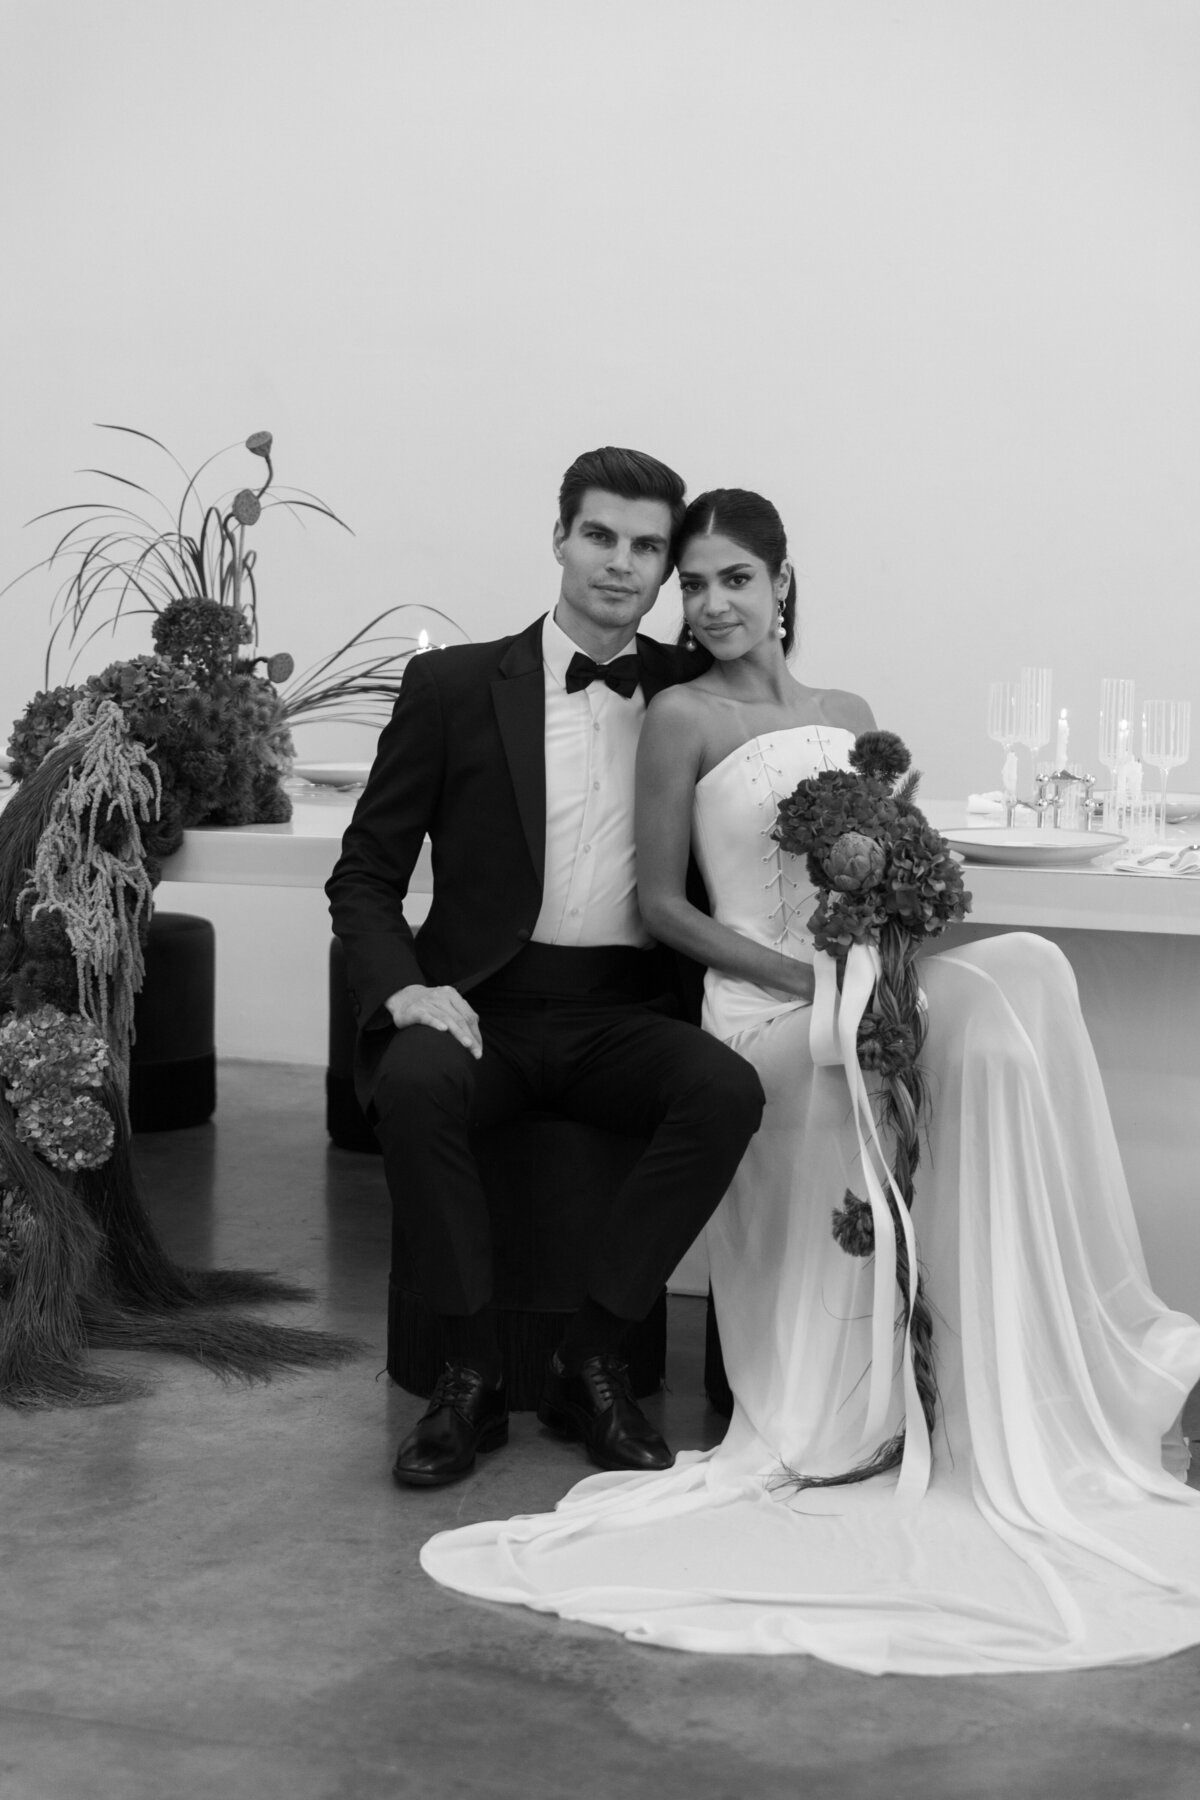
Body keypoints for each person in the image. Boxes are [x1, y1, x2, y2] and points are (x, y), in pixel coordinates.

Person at [420, 488, 1200, 1674]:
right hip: (764, 1003)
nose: (712, 602)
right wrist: (805, 976)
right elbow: (660, 905)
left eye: (735, 577)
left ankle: (1025, 1352)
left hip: (857, 981)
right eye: (696, 583)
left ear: (785, 584)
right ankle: (920, 1370)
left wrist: (886, 950)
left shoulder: (853, 714)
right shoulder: (678, 713)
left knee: (1025, 974)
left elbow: (896, 879)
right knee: (930, 1024)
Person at [327, 451, 765, 1490]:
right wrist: (406, 990)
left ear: (668, 570)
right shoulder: (453, 685)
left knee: (725, 1091)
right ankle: (470, 1374)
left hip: (624, 1012)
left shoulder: (692, 695)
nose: (621, 563)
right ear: (560, 538)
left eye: (647, 547)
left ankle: (592, 1356)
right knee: (419, 1083)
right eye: (601, 536)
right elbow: (366, 873)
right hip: (485, 1003)